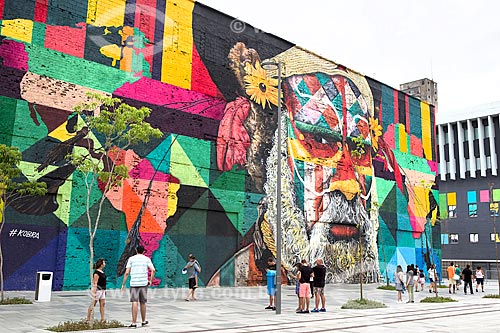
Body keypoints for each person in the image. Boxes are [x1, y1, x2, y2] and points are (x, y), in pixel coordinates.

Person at [121, 245, 156, 328]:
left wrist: (123, 284)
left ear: (136, 250)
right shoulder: (146, 259)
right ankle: (143, 321)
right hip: (143, 283)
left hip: (134, 283)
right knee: (143, 302)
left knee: (134, 302)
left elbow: (126, 272)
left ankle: (134, 323)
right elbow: (153, 270)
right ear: (143, 251)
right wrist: (150, 280)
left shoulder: (131, 259)